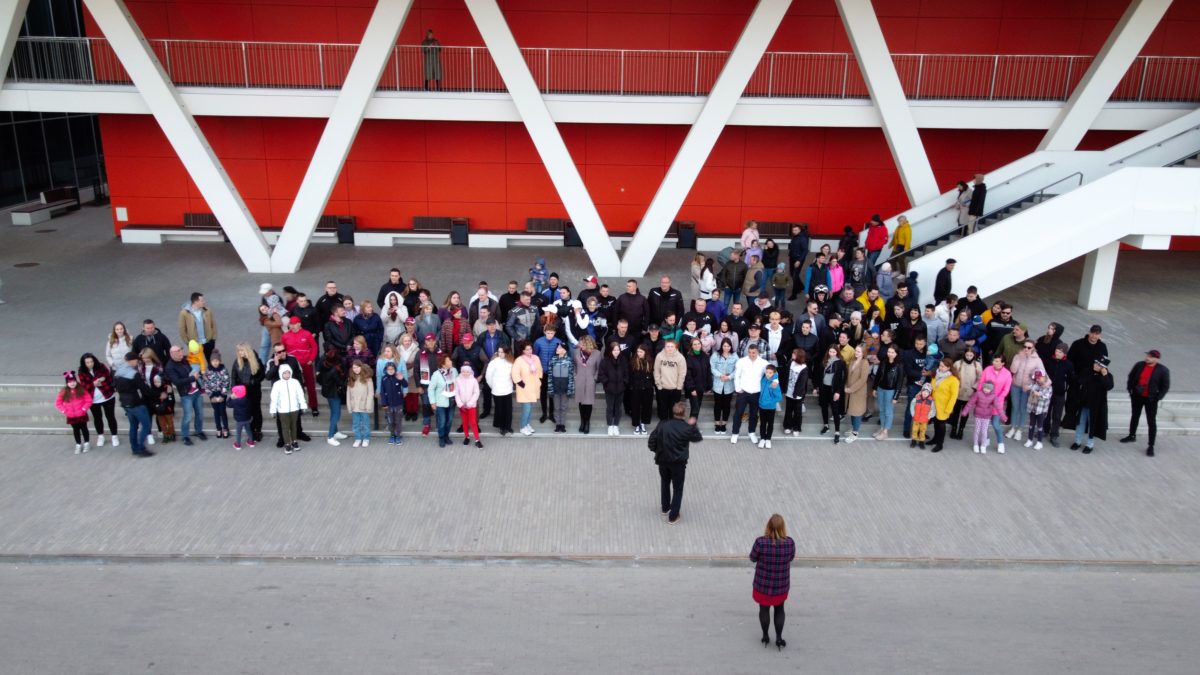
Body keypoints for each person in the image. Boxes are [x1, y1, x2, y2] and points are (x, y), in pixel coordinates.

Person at [648, 401, 703, 525]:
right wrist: (693, 425)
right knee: (678, 488)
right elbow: (698, 438)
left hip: (662, 460)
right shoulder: (687, 428)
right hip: (678, 463)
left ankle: (665, 508)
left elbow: (651, 441)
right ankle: (673, 516)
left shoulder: (662, 424)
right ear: (684, 414)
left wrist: (658, 451)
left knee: (665, 483)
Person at [750, 513, 795, 650]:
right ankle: (779, 638)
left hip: (762, 585)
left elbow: (752, 558)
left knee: (763, 609)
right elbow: (791, 558)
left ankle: (765, 636)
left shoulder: (760, 542)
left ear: (768, 526)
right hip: (781, 586)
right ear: (783, 528)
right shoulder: (789, 543)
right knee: (779, 609)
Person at [1121, 349, 1170, 457]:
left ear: (1157, 359)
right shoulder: (1139, 365)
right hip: (1137, 396)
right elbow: (1131, 376)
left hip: (1151, 399)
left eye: (1151, 356)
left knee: (1151, 421)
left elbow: (1165, 386)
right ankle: (1132, 435)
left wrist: (1158, 397)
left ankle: (1151, 445)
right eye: (1148, 355)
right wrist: (1130, 389)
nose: (1148, 357)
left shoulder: (1163, 370)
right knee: (1135, 416)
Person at [1063, 356, 1114, 454]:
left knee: (1092, 425)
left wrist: (1105, 376)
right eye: (1095, 363)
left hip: (1096, 406)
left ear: (1103, 367)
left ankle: (1089, 444)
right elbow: (1079, 381)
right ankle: (1077, 442)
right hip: (1084, 403)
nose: (1095, 365)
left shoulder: (1107, 376)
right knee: (1080, 423)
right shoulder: (1087, 371)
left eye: (1099, 365)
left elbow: (1109, 386)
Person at [113, 351, 155, 457]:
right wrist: (157, 395)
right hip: (135, 402)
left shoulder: (118, 371)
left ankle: (134, 448)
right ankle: (141, 448)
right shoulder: (133, 374)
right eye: (136, 360)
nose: (137, 363)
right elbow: (144, 389)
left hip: (125, 403)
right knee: (146, 424)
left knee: (133, 426)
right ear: (132, 361)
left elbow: (114, 385)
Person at [165, 344, 205, 446]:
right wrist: (193, 378)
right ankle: (185, 436)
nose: (181, 354)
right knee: (187, 416)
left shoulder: (185, 359)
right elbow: (177, 382)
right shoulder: (170, 366)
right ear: (172, 354)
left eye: (181, 352)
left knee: (200, 413)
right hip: (186, 394)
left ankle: (199, 431)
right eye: (178, 353)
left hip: (197, 391)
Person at [77, 353, 118, 449]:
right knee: (97, 418)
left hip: (107, 395)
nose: (90, 364)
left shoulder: (101, 366)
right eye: (87, 362)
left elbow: (109, 378)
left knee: (110, 416)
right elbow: (84, 385)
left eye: (91, 361)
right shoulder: (81, 371)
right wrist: (93, 383)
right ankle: (101, 436)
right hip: (93, 399)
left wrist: (103, 379)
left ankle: (114, 435)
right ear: (84, 363)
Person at [281, 317, 319, 416]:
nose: (292, 326)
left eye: (294, 324)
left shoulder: (307, 334)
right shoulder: (285, 336)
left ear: (299, 324)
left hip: (306, 363)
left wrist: (311, 359)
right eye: (291, 324)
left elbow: (314, 347)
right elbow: (283, 349)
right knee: (296, 386)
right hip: (293, 365)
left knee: (310, 385)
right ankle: (298, 406)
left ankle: (314, 406)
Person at [731, 344, 767, 444]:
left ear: (758, 352)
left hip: (756, 392)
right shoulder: (741, 361)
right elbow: (737, 376)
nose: (751, 354)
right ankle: (735, 433)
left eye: (754, 353)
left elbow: (771, 373)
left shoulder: (763, 363)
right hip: (743, 392)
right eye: (750, 352)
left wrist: (775, 382)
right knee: (738, 413)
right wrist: (738, 389)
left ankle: (751, 432)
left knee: (754, 414)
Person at [269, 363, 307, 455]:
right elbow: (274, 398)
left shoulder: (295, 382)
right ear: (281, 373)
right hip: (283, 410)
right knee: (285, 428)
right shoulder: (277, 384)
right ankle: (287, 444)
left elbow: (300, 395)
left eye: (288, 373)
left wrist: (303, 405)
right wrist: (273, 410)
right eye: (285, 373)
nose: (287, 375)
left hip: (294, 409)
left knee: (294, 426)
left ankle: (294, 441)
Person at [231, 343, 264, 443]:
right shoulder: (237, 362)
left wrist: (254, 381)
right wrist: (234, 390)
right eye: (239, 351)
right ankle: (250, 431)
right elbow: (233, 377)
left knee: (256, 411)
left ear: (247, 350)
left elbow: (262, 375)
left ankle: (257, 431)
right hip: (242, 392)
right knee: (246, 412)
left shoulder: (256, 360)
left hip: (254, 390)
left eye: (242, 350)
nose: (240, 353)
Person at [961, 380, 1005, 454]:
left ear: (991, 389)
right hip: (978, 415)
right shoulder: (978, 394)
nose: (986, 390)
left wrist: (1003, 416)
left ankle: (983, 446)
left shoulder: (993, 396)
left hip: (987, 416)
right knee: (977, 430)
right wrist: (965, 411)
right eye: (985, 388)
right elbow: (970, 403)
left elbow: (998, 407)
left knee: (984, 432)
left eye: (988, 388)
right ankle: (975, 444)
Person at [873, 344, 905, 441]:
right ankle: (882, 428)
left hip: (890, 391)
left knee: (888, 412)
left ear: (896, 354)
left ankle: (885, 432)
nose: (890, 354)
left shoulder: (899, 365)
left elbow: (900, 382)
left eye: (892, 352)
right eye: (889, 352)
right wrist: (874, 388)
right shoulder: (884, 362)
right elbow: (878, 375)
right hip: (881, 388)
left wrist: (896, 396)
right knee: (882, 410)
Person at [317, 348, 348, 446]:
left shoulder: (324, 364)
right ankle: (330, 436)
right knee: (336, 414)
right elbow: (341, 383)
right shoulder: (335, 370)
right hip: (334, 394)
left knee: (333, 413)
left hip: (327, 392)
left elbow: (319, 378)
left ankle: (335, 432)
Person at [56, 371, 92, 454]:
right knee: (75, 430)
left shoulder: (81, 390)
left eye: (73, 381)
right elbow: (58, 403)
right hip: (71, 415)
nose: (72, 383)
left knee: (84, 428)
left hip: (81, 414)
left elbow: (88, 400)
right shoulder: (63, 391)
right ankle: (78, 444)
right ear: (67, 383)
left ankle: (87, 443)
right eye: (70, 382)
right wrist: (64, 411)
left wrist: (84, 409)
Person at [817, 345, 847, 443]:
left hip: (834, 389)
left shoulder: (841, 363)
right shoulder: (825, 361)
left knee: (835, 410)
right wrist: (816, 387)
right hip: (824, 388)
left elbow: (843, 379)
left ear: (837, 352)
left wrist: (838, 391)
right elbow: (819, 375)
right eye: (830, 352)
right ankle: (826, 425)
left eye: (834, 352)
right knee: (824, 407)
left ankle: (837, 432)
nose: (832, 354)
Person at [929, 358, 960, 453]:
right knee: (936, 422)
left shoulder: (953, 380)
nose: (940, 367)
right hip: (934, 404)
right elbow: (932, 388)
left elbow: (954, 396)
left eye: (943, 366)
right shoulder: (935, 375)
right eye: (940, 365)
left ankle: (940, 444)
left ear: (949, 368)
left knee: (941, 424)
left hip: (944, 406)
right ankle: (935, 439)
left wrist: (949, 408)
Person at [597, 341, 628, 436]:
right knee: (610, 407)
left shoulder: (623, 360)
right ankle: (610, 425)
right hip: (609, 389)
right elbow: (601, 374)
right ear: (611, 350)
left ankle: (616, 425)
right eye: (614, 350)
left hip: (620, 388)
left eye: (618, 349)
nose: (616, 351)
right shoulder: (605, 361)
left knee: (618, 408)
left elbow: (626, 373)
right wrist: (607, 383)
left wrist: (624, 383)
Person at [512, 341, 543, 436]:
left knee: (531, 409)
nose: (529, 351)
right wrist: (522, 385)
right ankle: (522, 427)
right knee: (526, 409)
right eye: (527, 349)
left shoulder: (536, 358)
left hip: (534, 387)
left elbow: (540, 370)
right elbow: (515, 374)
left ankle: (527, 424)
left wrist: (539, 380)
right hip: (524, 389)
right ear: (523, 351)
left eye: (530, 349)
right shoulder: (519, 360)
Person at [199, 350, 231, 440]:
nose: (215, 363)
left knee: (222, 411)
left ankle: (225, 428)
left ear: (220, 361)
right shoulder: (208, 371)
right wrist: (211, 396)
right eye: (213, 361)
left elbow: (226, 382)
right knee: (216, 412)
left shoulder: (223, 369)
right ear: (210, 362)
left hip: (221, 394)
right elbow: (206, 384)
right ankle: (218, 428)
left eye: (217, 361)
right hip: (213, 394)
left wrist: (222, 395)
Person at [949, 349, 980, 440]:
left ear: (974, 356)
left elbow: (980, 378)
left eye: (971, 355)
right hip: (958, 392)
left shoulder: (977, 365)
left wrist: (974, 387)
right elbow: (952, 375)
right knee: (956, 412)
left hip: (969, 393)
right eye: (967, 355)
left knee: (965, 413)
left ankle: (961, 429)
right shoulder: (958, 364)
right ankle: (954, 428)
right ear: (964, 355)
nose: (969, 357)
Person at [178, 292, 217, 362]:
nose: (204, 302)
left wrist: (213, 339)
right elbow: (182, 329)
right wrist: (188, 342)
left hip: (208, 341)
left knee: (211, 361)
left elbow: (213, 324)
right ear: (195, 302)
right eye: (202, 300)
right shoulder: (184, 313)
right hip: (195, 344)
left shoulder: (207, 310)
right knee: (197, 364)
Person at [428, 355, 458, 448]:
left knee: (449, 420)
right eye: (448, 361)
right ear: (443, 365)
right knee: (442, 421)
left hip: (452, 400)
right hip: (441, 401)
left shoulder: (454, 371)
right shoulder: (436, 374)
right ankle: (441, 437)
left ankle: (446, 436)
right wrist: (432, 402)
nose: (451, 362)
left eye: (450, 360)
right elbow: (431, 389)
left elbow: (457, 384)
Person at [653, 340, 686, 421]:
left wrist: (679, 387)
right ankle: (663, 427)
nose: (670, 348)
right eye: (668, 346)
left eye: (672, 346)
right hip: (662, 388)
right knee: (662, 410)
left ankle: (672, 428)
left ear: (675, 347)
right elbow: (656, 371)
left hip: (675, 389)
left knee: (673, 411)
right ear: (665, 347)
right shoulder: (660, 356)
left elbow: (682, 374)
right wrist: (659, 385)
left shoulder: (680, 358)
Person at [842, 345, 869, 443]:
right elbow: (848, 376)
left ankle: (855, 433)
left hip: (858, 392)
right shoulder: (853, 361)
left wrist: (850, 389)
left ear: (863, 353)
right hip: (850, 390)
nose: (856, 353)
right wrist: (846, 386)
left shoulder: (864, 363)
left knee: (857, 412)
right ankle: (853, 428)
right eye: (856, 351)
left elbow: (862, 380)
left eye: (858, 351)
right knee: (852, 411)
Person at [485, 346, 515, 436]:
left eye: (502, 352)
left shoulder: (510, 362)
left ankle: (508, 426)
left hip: (508, 389)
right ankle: (502, 427)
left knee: (508, 409)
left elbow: (512, 375)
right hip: (497, 390)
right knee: (500, 409)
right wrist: (493, 386)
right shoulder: (494, 362)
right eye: (499, 352)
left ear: (506, 352)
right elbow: (488, 376)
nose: (500, 354)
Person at [345, 360, 375, 448]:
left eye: (358, 367)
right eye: (354, 367)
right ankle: (358, 438)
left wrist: (368, 405)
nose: (356, 369)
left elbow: (370, 393)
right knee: (356, 423)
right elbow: (348, 393)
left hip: (364, 405)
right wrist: (349, 405)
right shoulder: (351, 379)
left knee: (365, 423)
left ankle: (366, 438)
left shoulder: (367, 378)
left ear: (361, 367)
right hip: (354, 405)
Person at [547, 342, 575, 433]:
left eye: (559, 347)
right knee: (556, 407)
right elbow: (550, 375)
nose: (557, 349)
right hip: (555, 388)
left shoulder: (569, 361)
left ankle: (562, 424)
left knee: (563, 407)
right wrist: (550, 388)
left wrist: (570, 388)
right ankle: (557, 424)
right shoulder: (553, 360)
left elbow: (571, 375)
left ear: (564, 350)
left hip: (565, 388)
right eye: (557, 348)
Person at [574, 336, 599, 434]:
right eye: (580, 344)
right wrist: (575, 375)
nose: (581, 346)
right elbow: (574, 364)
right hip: (579, 379)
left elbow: (599, 368)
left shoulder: (596, 353)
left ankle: (587, 422)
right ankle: (582, 421)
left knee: (588, 402)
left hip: (590, 380)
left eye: (583, 344)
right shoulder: (576, 352)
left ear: (589, 344)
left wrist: (595, 378)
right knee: (581, 401)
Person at [628, 344, 655, 435]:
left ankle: (643, 424)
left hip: (647, 388)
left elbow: (652, 375)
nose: (639, 353)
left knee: (646, 407)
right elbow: (630, 376)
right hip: (636, 388)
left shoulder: (650, 361)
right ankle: (636, 424)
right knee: (635, 407)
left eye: (641, 352)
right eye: (638, 352)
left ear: (645, 352)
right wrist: (632, 386)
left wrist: (650, 384)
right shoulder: (633, 362)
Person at [455, 363, 483, 448]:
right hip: (462, 406)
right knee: (465, 422)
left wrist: (470, 403)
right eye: (463, 371)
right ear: (461, 371)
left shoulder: (474, 380)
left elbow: (476, 392)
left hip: (471, 406)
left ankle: (477, 439)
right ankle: (466, 437)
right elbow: (456, 393)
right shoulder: (458, 380)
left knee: (473, 422)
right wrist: (460, 404)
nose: (465, 373)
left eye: (467, 372)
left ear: (470, 372)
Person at [782, 349, 809, 437]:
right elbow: (786, 376)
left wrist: (796, 394)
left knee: (797, 412)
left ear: (799, 356)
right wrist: (785, 389)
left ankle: (796, 427)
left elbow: (802, 383)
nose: (792, 354)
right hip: (789, 392)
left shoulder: (804, 368)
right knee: (788, 410)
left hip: (797, 394)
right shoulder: (791, 363)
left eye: (794, 354)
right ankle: (787, 426)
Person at [1023, 371, 1052, 450]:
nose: (1038, 379)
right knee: (1031, 425)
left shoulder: (1048, 387)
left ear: (1045, 377)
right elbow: (1028, 387)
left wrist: (1040, 394)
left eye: (1039, 377)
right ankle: (1030, 439)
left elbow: (1047, 396)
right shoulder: (1034, 384)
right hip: (1032, 408)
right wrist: (1027, 387)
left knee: (1040, 426)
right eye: (1036, 378)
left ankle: (1039, 442)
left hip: (1041, 410)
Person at [379, 361, 406, 446]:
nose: (390, 370)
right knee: (390, 421)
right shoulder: (384, 379)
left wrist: (402, 379)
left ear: (395, 369)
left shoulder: (398, 377)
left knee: (398, 421)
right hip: (389, 405)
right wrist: (384, 403)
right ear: (386, 370)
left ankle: (398, 436)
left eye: (392, 369)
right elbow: (382, 392)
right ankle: (392, 435)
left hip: (398, 404)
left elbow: (405, 385)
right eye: (388, 369)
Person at [757, 364, 782, 449]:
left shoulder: (774, 383)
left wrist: (769, 402)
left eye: (770, 373)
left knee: (770, 424)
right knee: (762, 423)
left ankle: (768, 439)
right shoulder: (763, 379)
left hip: (771, 407)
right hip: (761, 406)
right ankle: (763, 438)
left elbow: (779, 397)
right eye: (767, 372)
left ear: (774, 373)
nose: (768, 374)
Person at [909, 383, 934, 450]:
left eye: (927, 392)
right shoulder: (916, 399)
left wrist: (928, 417)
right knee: (914, 430)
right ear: (921, 391)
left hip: (924, 420)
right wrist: (913, 414)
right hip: (916, 418)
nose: (925, 393)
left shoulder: (931, 401)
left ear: (930, 393)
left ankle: (921, 442)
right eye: (924, 391)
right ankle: (913, 441)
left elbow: (933, 410)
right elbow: (912, 406)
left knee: (923, 431)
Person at [229, 385, 253, 450]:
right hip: (247, 418)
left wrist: (230, 398)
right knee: (248, 430)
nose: (233, 394)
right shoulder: (247, 399)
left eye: (234, 393)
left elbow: (228, 404)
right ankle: (251, 442)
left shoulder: (235, 401)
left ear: (237, 394)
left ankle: (238, 445)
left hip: (239, 420)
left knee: (238, 432)